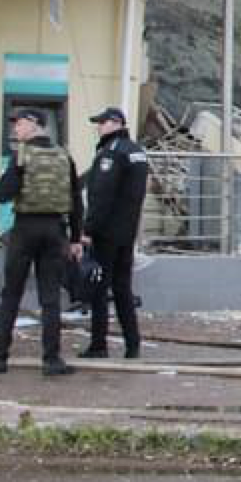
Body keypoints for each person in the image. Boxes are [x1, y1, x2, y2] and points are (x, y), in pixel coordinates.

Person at [0, 109, 84, 376]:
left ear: (35, 126)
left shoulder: (20, 156)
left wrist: (17, 171)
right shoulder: (65, 157)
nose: (15, 130)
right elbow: (77, 201)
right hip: (55, 230)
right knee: (51, 297)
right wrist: (76, 238)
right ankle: (51, 360)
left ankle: (0, 358)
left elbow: (2, 195)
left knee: (11, 293)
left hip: (25, 229)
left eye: (19, 124)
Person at [79, 106, 148, 359]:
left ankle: (99, 345)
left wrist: (88, 228)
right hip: (127, 232)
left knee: (99, 288)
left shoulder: (112, 153)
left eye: (102, 123)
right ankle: (132, 344)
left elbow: (101, 196)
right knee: (123, 289)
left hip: (107, 232)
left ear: (115, 123)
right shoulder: (137, 152)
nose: (99, 127)